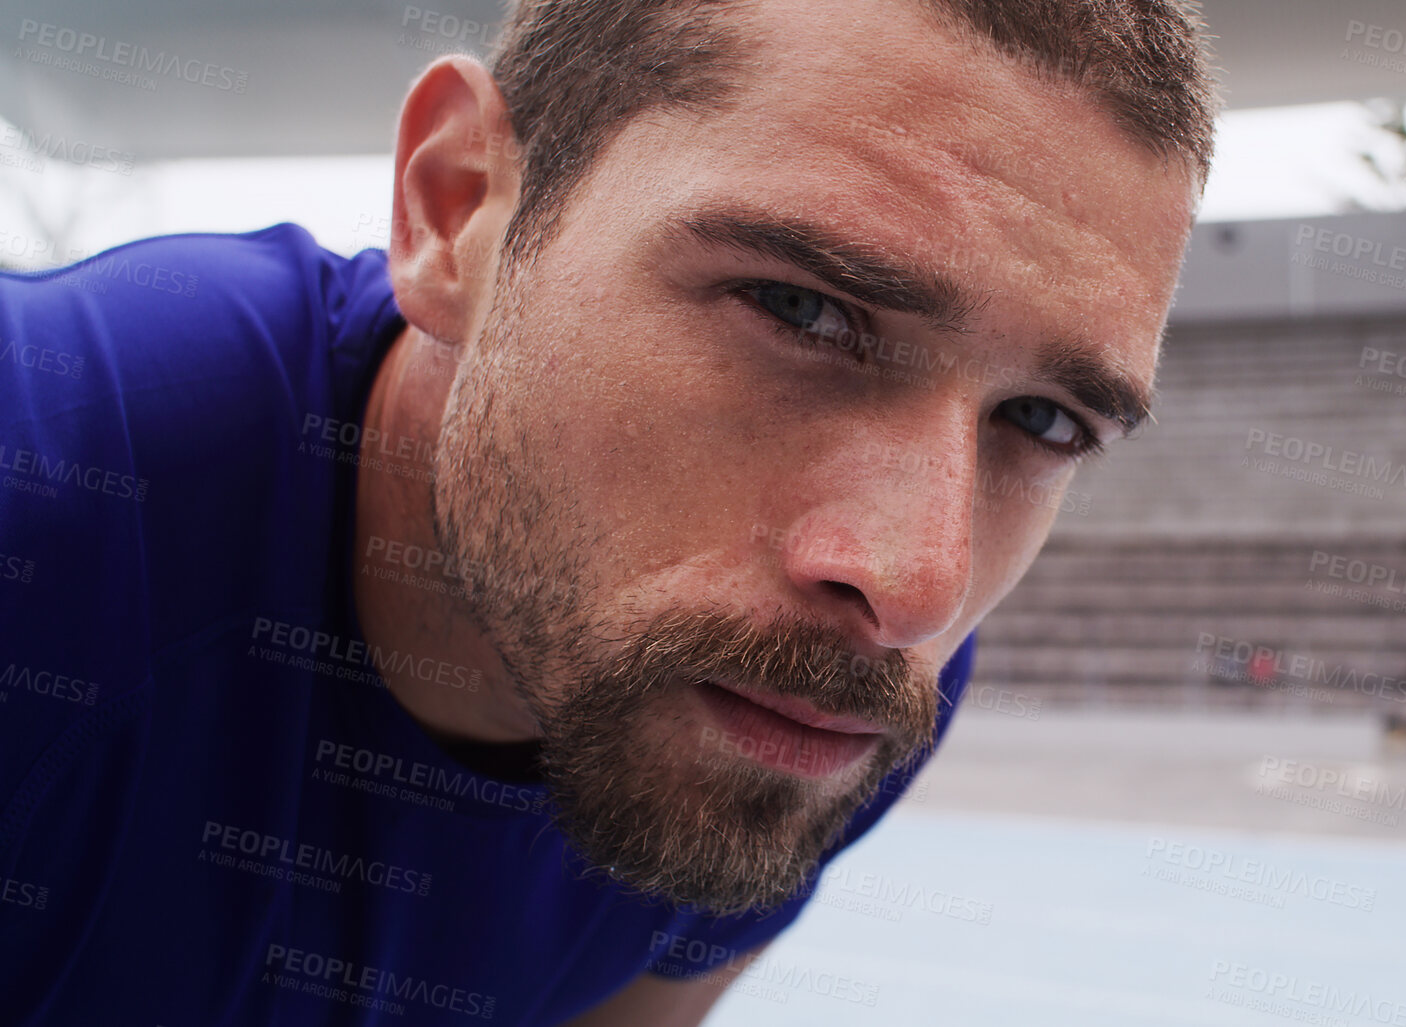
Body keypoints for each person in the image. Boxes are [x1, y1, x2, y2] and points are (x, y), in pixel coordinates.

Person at [0, 0, 1216, 1022]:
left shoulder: (817, 691)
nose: (912, 583)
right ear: (456, 207)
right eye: (800, 311)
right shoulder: (49, 493)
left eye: (1046, 421)